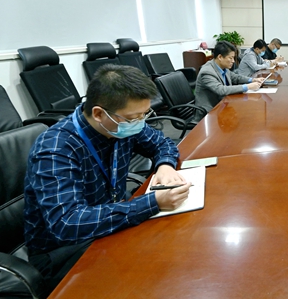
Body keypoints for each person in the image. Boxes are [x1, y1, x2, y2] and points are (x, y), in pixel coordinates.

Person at [24, 64, 192, 291]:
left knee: (177, 251)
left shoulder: (122, 123)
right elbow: (68, 222)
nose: (140, 122)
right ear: (99, 114)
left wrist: (165, 166)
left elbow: (162, 143)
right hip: (64, 250)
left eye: (144, 115)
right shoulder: (56, 148)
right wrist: (151, 203)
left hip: (111, 219)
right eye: (134, 118)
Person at [195, 41, 264, 120]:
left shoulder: (223, 67)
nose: (233, 61)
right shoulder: (207, 72)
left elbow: (235, 77)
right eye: (230, 58)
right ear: (220, 57)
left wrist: (253, 80)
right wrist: (248, 87)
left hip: (223, 105)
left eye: (233, 58)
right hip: (209, 114)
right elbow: (221, 90)